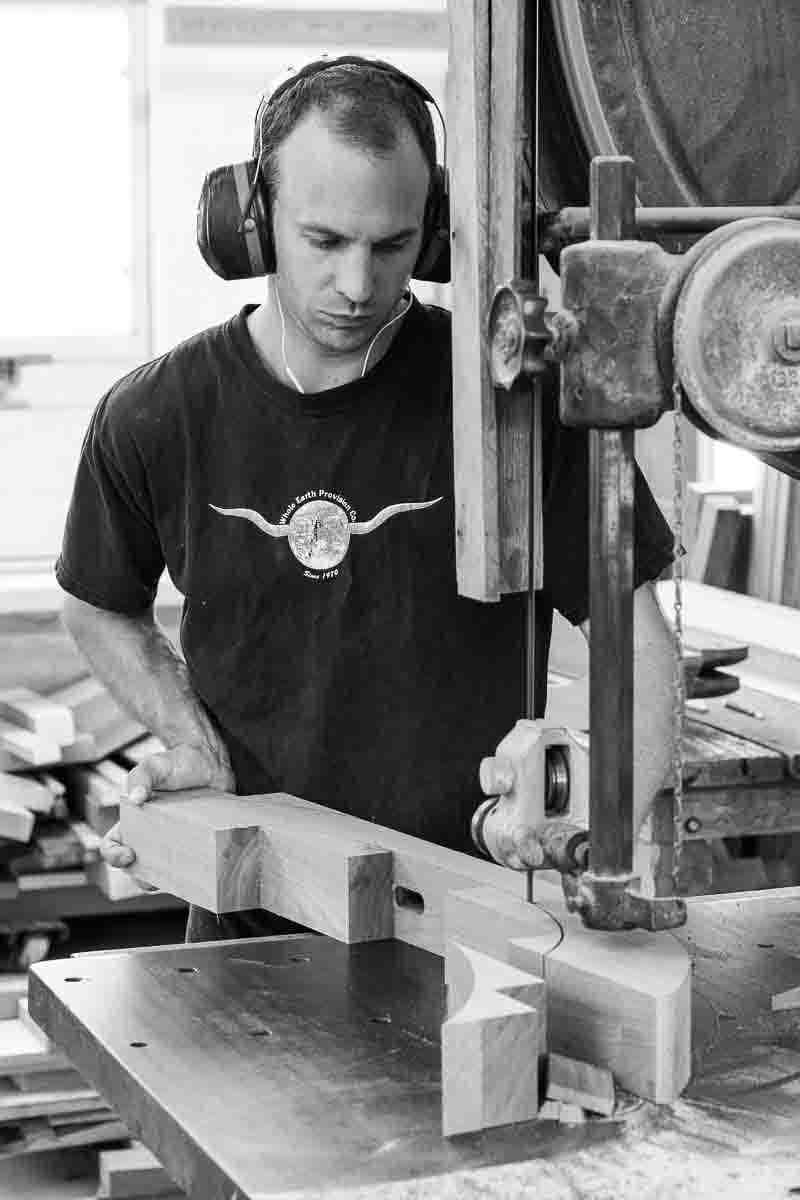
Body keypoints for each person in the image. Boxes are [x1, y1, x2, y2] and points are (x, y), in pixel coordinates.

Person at [56, 58, 676, 941]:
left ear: (432, 237)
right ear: (253, 222)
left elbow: (638, 637)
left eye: (391, 248)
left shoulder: (511, 403)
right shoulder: (156, 414)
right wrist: (188, 733)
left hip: (476, 915)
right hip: (252, 920)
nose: (357, 285)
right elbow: (97, 606)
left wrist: (597, 808)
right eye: (324, 241)